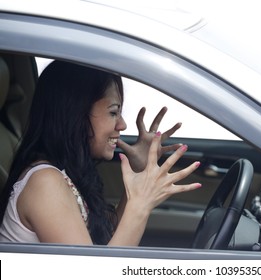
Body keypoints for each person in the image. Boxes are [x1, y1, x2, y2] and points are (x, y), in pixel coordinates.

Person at [0, 60, 201, 246]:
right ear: (76, 113)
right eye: (113, 112)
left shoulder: (65, 174)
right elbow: (96, 272)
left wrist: (140, 172)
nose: (122, 125)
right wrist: (141, 204)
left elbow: (106, 241)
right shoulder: (45, 182)